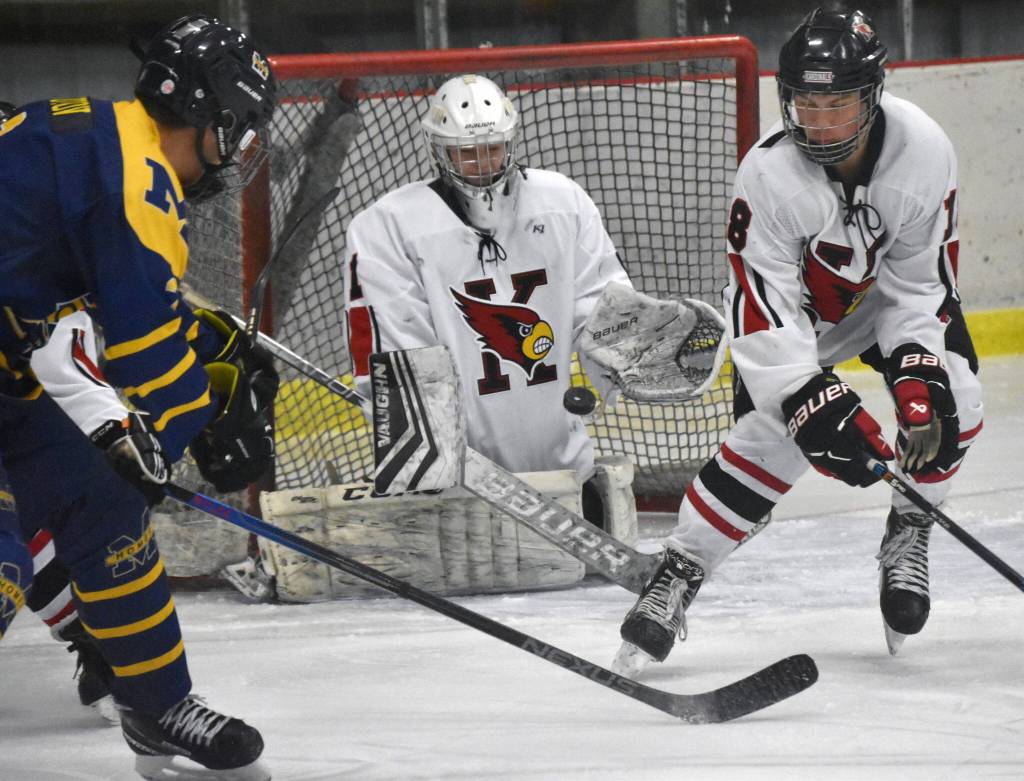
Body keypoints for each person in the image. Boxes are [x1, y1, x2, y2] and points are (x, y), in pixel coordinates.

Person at [616, 6, 983, 672]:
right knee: (773, 437)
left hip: (884, 307)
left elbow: (920, 284)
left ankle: (910, 526)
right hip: (800, 324)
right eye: (805, 104)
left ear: (873, 97)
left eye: (837, 103)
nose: (818, 122)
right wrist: (807, 395)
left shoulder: (924, 152)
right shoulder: (767, 176)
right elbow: (763, 310)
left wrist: (915, 369)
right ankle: (680, 567)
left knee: (953, 394)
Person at [0, 14, 279, 780]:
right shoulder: (137, 184)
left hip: (17, 362)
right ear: (215, 115)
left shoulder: (104, 133)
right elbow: (147, 357)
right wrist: (201, 418)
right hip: (18, 361)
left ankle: (156, 706)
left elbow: (94, 292)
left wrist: (195, 358)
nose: (244, 147)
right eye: (245, 128)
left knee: (103, 503)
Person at [344, 74, 632, 522]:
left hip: (564, 469)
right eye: (466, 152)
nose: (481, 163)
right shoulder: (389, 225)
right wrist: (428, 465)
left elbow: (602, 306)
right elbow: (397, 349)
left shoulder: (563, 202)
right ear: (440, 150)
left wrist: (623, 363)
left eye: (492, 148)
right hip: (462, 484)